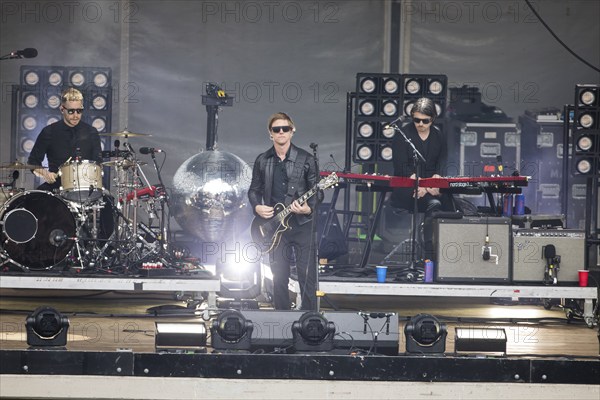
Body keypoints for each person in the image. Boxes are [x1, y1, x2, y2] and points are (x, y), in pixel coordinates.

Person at [248, 112, 318, 311]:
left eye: (285, 129)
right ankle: (282, 319)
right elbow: (254, 190)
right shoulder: (263, 160)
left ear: (292, 131)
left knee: (307, 276)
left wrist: (308, 207)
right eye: (276, 129)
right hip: (275, 229)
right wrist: (257, 207)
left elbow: (317, 193)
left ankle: (309, 321)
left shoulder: (306, 159)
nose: (281, 132)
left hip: (303, 226)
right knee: (279, 276)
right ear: (270, 133)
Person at [391, 97, 453, 261]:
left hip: (432, 187)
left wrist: (436, 181)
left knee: (451, 204)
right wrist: (422, 186)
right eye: (417, 120)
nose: (420, 124)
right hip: (408, 187)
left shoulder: (439, 135)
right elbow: (401, 166)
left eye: (425, 121)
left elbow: (443, 162)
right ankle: (428, 255)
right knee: (434, 204)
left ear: (432, 119)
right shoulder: (403, 134)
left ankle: (446, 255)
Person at [28, 87, 103, 191]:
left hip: (87, 187)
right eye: (71, 111)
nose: (76, 115)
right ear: (62, 109)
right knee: (34, 200)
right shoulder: (49, 132)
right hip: (57, 187)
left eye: (79, 111)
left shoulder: (92, 132)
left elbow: (98, 163)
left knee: (108, 202)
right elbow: (33, 163)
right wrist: (46, 174)